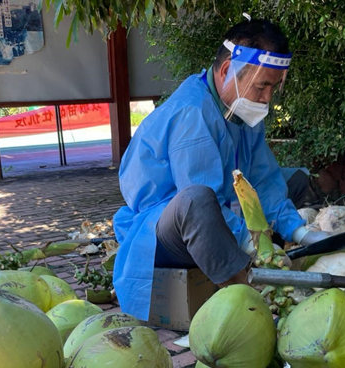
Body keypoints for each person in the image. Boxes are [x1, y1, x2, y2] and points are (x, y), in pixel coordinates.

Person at [112, 18, 329, 321]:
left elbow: (263, 179)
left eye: (273, 87)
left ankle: (268, 250)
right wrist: (252, 242)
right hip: (166, 229)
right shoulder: (192, 112)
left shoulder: (240, 107)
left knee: (293, 177)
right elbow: (204, 195)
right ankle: (249, 302)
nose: (267, 98)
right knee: (197, 201)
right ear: (228, 70)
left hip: (223, 209)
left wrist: (300, 230)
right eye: (262, 86)